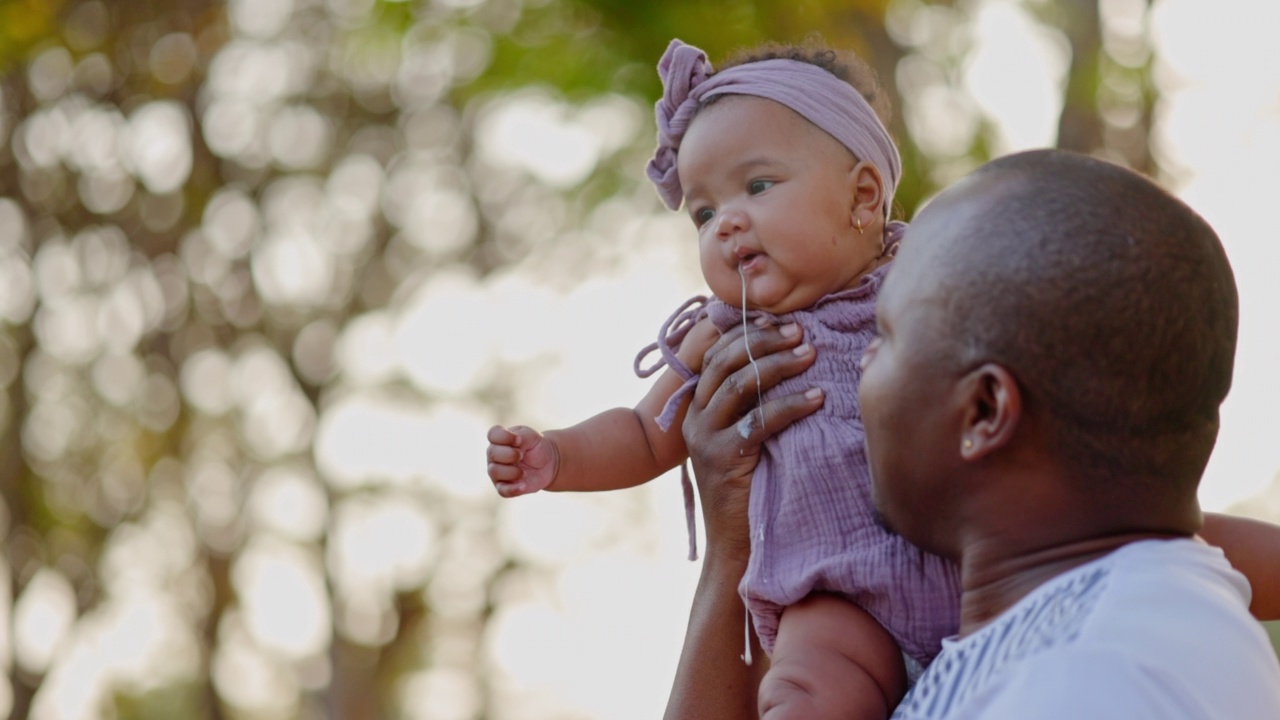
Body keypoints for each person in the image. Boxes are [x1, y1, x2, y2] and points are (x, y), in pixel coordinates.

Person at [667, 148, 1280, 719]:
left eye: (883, 337)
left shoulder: (1090, 671)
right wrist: (733, 546)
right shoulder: (1086, 636)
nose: (857, 365)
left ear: (984, 411)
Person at [488, 37, 959, 719]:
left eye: (758, 186)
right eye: (703, 213)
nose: (726, 222)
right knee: (802, 692)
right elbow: (645, 435)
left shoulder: (922, 282)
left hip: (957, 562)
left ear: (863, 196)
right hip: (830, 601)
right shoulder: (723, 333)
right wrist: (556, 456)